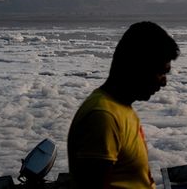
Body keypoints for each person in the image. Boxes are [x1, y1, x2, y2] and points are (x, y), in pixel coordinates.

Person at [67, 21, 180, 189]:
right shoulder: (103, 116)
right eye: (161, 72)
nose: (164, 82)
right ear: (139, 66)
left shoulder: (123, 109)